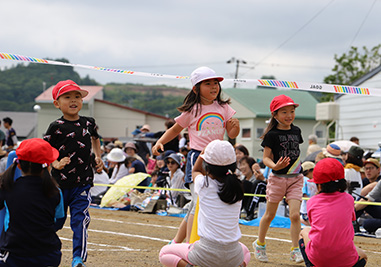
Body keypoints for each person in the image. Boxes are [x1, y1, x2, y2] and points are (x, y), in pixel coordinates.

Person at [152, 66, 240, 243]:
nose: (214, 87)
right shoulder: (192, 110)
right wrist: (159, 141)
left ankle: (177, 241)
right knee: (198, 202)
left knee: (197, 203)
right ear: (196, 88)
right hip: (197, 158)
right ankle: (190, 244)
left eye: (215, 83)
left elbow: (232, 135)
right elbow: (175, 129)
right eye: (208, 84)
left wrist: (235, 126)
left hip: (218, 159)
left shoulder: (224, 108)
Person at [159, 140, 251, 267]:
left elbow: (195, 170)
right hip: (233, 254)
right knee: (245, 251)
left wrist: (202, 154)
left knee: (164, 253)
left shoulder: (203, 184)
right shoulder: (238, 187)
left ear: (207, 165)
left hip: (205, 253)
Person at [43, 80, 103, 267]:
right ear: (57, 103)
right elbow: (46, 149)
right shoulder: (56, 126)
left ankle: (78, 259)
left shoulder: (89, 122)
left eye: (77, 96)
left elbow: (95, 139)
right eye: (67, 97)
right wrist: (55, 163)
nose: (73, 100)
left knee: (80, 221)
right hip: (59, 184)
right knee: (56, 221)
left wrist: (98, 156)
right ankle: (43, 250)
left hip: (83, 183)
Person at [253, 94, 304, 263]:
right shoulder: (272, 135)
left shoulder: (296, 131)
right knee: (269, 214)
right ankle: (260, 244)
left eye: (291, 111)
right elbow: (266, 158)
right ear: (275, 115)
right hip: (278, 178)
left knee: (295, 215)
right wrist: (274, 167)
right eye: (284, 112)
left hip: (296, 178)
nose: (289, 115)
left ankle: (295, 249)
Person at [0, 138, 64, 266]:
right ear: (48, 165)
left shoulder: (8, 187)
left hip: (14, 255)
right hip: (49, 255)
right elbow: (58, 222)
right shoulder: (55, 191)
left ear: (18, 165)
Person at [299, 158, 367, 267]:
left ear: (319, 185)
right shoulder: (349, 199)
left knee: (304, 231)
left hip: (319, 258)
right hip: (344, 257)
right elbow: (351, 220)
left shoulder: (312, 201)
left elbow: (315, 226)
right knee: (363, 256)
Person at [239, 156, 266, 221]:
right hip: (249, 201)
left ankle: (250, 213)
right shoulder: (243, 180)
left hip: (261, 197)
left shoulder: (259, 175)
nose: (241, 167)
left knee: (257, 183)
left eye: (243, 164)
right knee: (243, 184)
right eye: (240, 165)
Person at [299, 161, 317, 226]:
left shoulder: (313, 180)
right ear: (309, 170)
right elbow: (304, 194)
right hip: (307, 209)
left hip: (313, 207)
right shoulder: (304, 180)